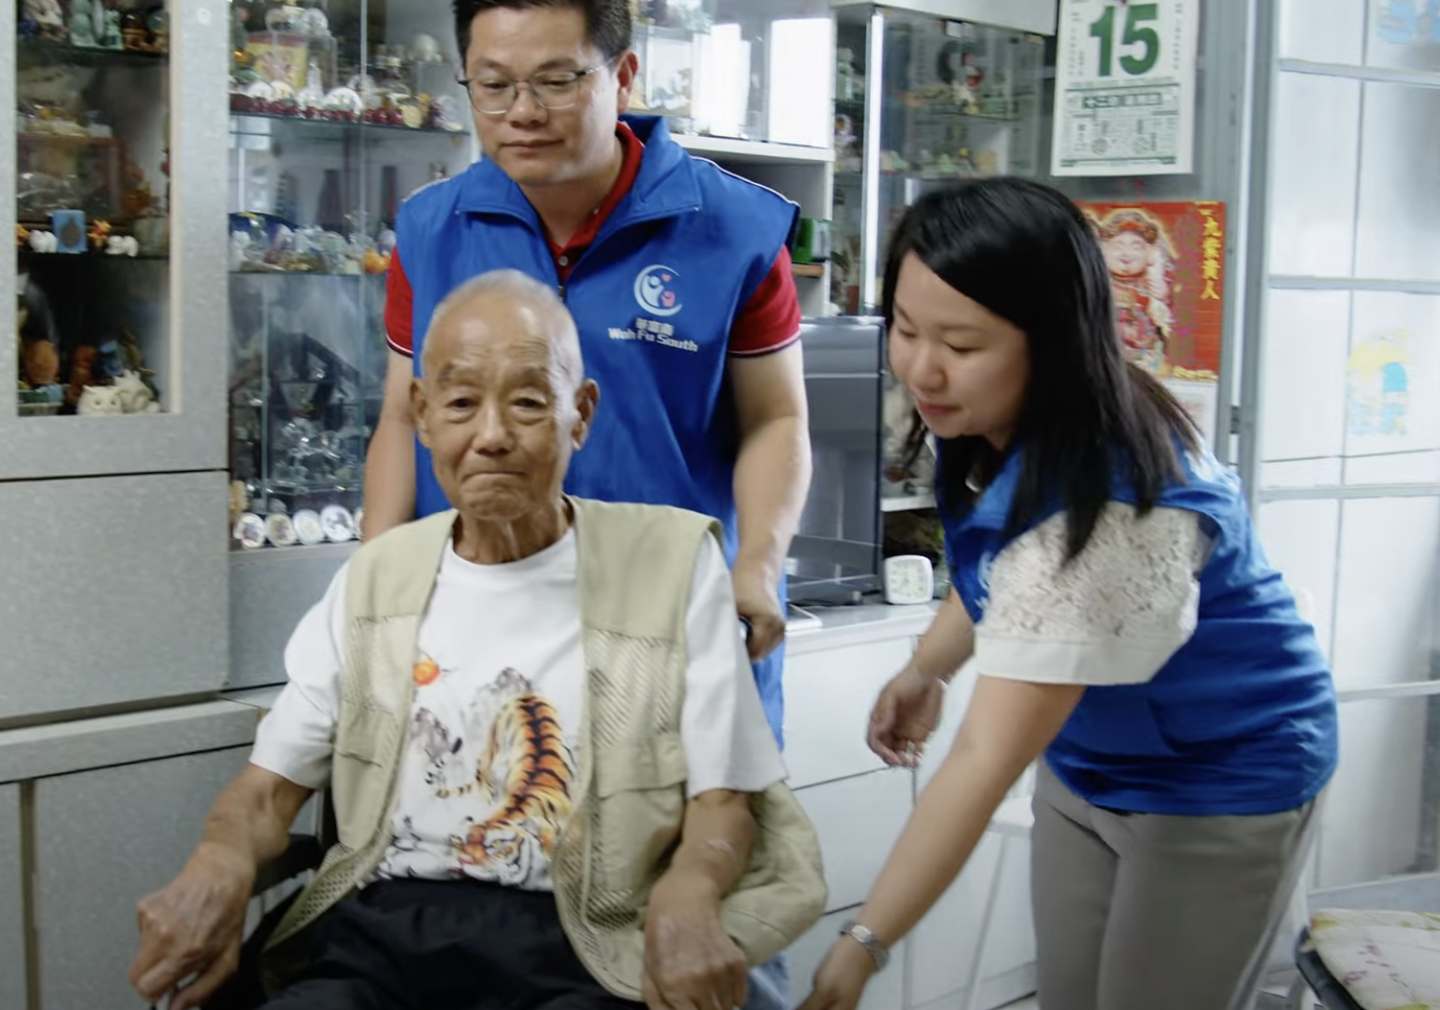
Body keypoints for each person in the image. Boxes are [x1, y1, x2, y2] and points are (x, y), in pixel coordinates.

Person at [131, 271, 824, 1010]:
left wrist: (692, 886)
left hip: (583, 944)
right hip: (381, 942)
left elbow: (724, 800)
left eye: (528, 402)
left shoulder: (671, 565)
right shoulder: (377, 579)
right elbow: (267, 792)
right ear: (423, 415)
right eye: (461, 403)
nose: (492, 436)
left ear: (580, 415)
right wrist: (220, 858)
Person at [796, 178, 1339, 1010]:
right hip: (1092, 762)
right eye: (905, 329)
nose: (923, 368)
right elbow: (1001, 564)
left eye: (962, 344)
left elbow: (984, 758)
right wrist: (927, 669)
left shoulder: (1114, 508)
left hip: (1220, 775)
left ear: (1053, 343)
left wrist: (864, 943)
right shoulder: (999, 419)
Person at [362, 0, 812, 753]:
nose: (522, 113)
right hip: (479, 628)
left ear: (623, 75)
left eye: (555, 81)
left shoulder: (733, 230)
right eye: (493, 85)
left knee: (696, 819)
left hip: (673, 625)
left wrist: (758, 568)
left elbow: (777, 419)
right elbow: (404, 418)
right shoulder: (432, 229)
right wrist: (376, 579)